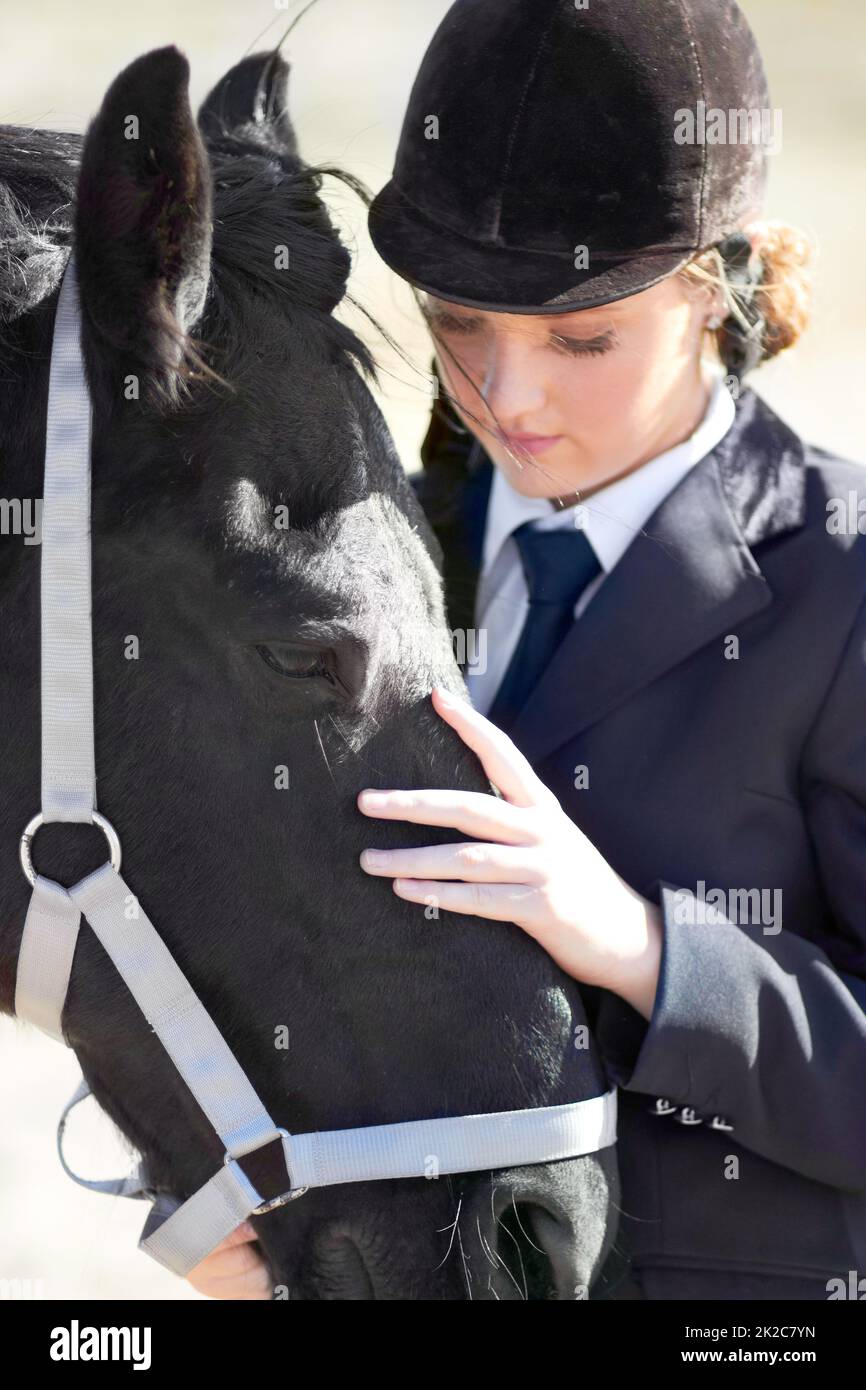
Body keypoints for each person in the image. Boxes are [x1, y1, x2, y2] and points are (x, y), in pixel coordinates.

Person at [186, 0, 866, 1300]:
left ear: (716, 284)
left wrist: (645, 950)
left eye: (579, 338)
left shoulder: (841, 578)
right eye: (456, 322)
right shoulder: (360, 543)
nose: (505, 395)